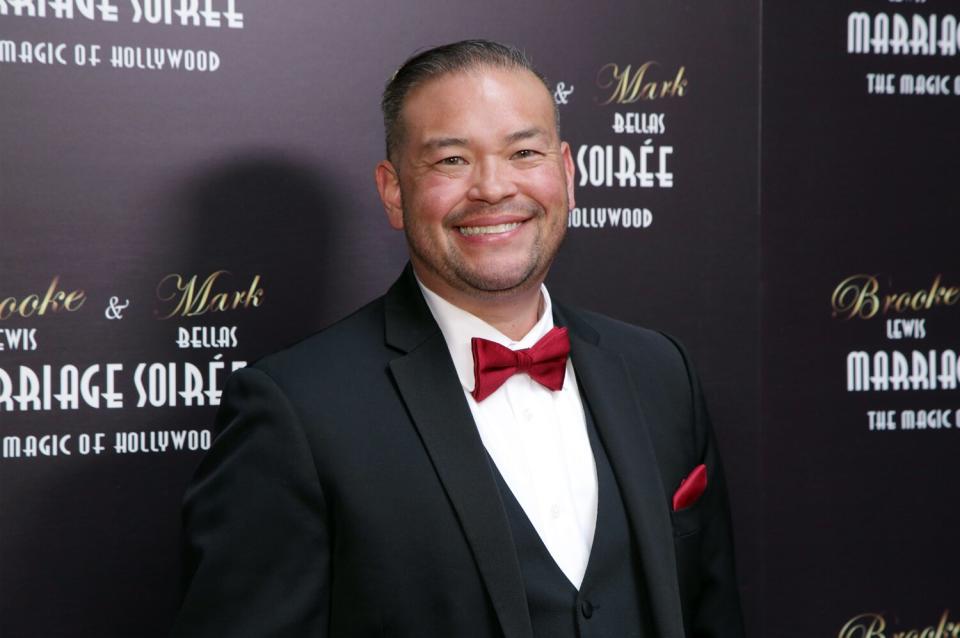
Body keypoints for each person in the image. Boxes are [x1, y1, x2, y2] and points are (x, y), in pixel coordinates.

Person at [171, 40, 745, 638]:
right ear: (393, 191)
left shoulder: (662, 373)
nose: (494, 188)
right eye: (451, 161)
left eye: (524, 151)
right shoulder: (295, 410)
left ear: (568, 174)